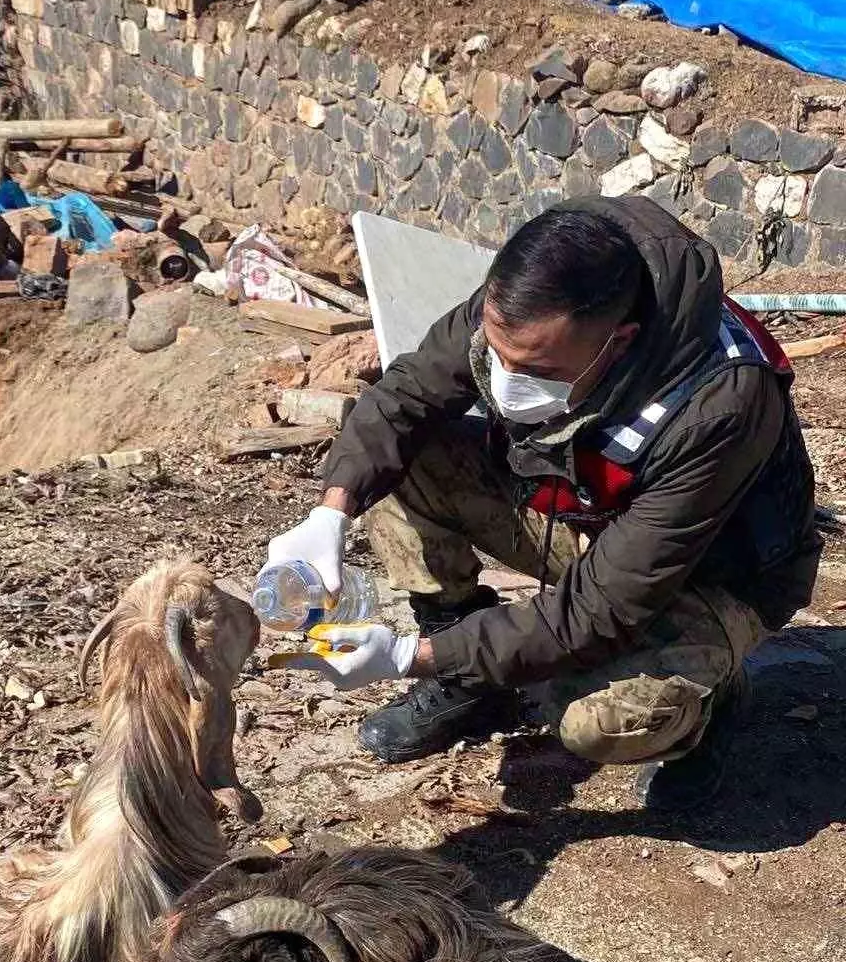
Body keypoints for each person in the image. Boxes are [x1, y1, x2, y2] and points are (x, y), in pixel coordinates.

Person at [268, 197, 821, 811]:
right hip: (587, 514)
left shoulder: (720, 403)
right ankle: (470, 685)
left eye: (533, 368)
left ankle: (706, 706)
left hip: (714, 573)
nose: (504, 378)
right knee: (412, 459)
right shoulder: (532, 293)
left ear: (619, 343)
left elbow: (600, 609)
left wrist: (406, 657)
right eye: (496, 353)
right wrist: (330, 513)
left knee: (597, 722)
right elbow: (405, 397)